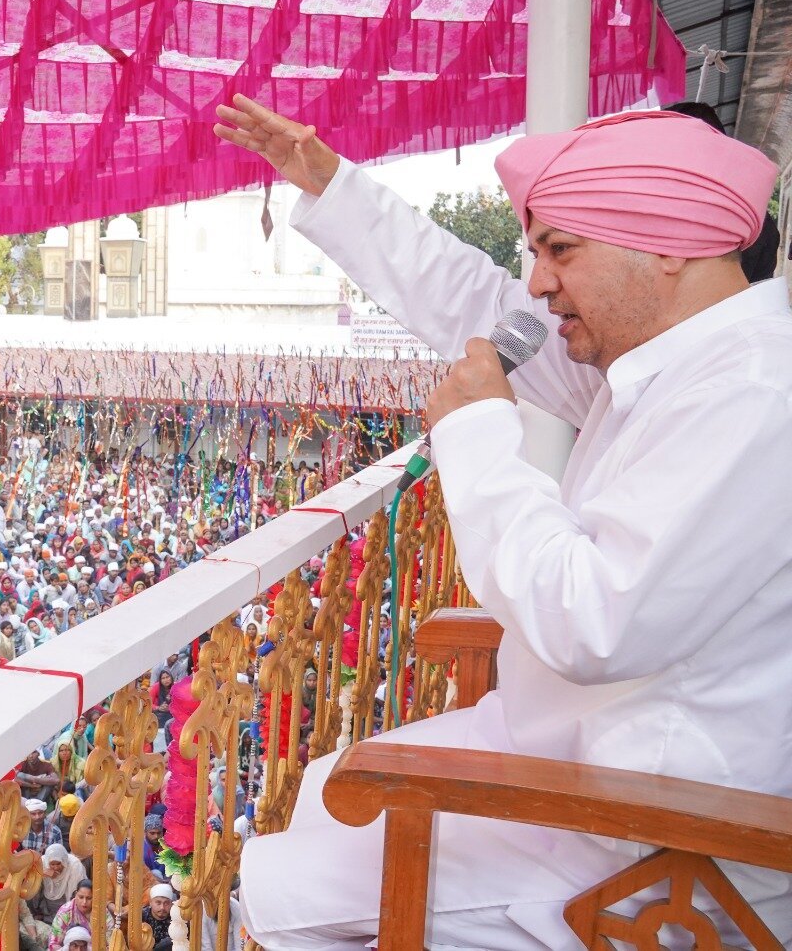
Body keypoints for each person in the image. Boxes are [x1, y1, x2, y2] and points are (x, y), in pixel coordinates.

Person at [214, 99, 792, 947]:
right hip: (600, 772)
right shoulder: (678, 364)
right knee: (327, 787)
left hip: (660, 838)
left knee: (280, 894)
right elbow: (473, 303)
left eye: (560, 249)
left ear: (668, 246)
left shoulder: (752, 396)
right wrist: (333, 187)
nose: (537, 283)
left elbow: (590, 623)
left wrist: (481, 434)